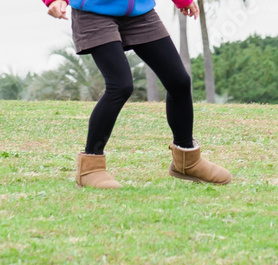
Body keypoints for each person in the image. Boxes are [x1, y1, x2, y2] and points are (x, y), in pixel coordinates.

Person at [43, 0, 232, 188]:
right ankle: (90, 168)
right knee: (120, 86)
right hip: (94, 13)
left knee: (178, 81)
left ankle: (187, 161)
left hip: (140, 12)